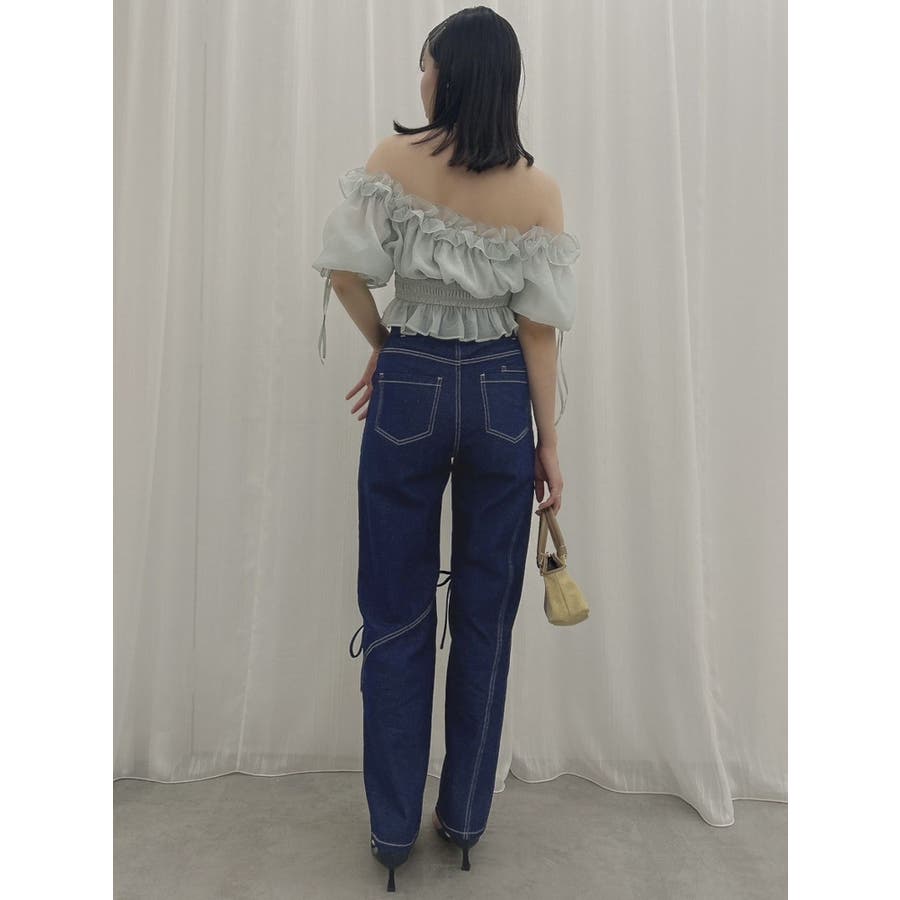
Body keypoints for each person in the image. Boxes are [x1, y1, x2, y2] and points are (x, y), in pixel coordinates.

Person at [311, 7, 581, 893]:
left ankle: (392, 832)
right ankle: (462, 819)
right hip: (502, 393)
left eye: (426, 65)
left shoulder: (394, 162)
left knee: (395, 609)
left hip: (412, 384)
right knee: (486, 613)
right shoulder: (539, 191)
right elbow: (538, 331)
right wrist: (549, 442)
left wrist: (392, 350)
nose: (420, 79)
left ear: (451, 75)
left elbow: (346, 272)